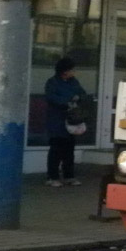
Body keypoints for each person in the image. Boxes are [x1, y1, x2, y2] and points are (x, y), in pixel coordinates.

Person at [44, 57, 87, 188]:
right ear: (64, 71)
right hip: (57, 120)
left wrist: (79, 97)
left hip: (72, 120)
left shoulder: (74, 82)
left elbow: (83, 93)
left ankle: (69, 176)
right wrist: (68, 100)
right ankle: (52, 176)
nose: (74, 72)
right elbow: (51, 98)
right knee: (56, 150)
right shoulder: (52, 82)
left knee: (69, 150)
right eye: (72, 69)